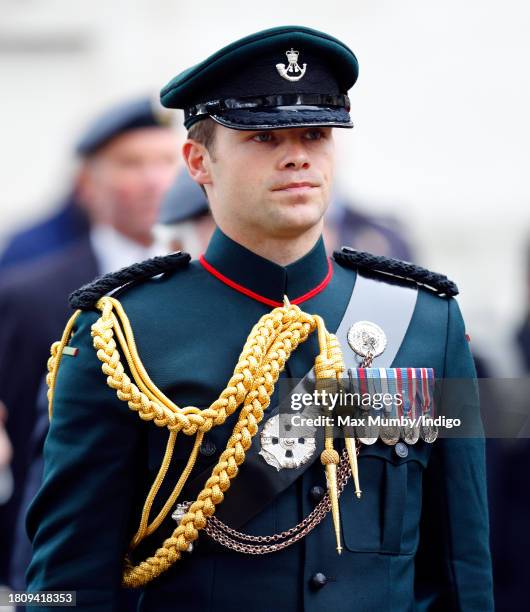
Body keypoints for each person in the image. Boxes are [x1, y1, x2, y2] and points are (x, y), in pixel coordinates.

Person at [26, 26, 493, 611]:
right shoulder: (123, 334)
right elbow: (69, 584)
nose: (297, 154)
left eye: (316, 133)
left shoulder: (425, 322)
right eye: (264, 136)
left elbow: (460, 568)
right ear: (199, 161)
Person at [0, 95, 180, 587]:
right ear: (87, 184)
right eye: (131, 164)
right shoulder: (30, 296)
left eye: (165, 161)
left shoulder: (212, 289)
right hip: (55, 563)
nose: (153, 179)